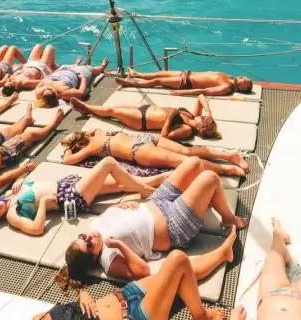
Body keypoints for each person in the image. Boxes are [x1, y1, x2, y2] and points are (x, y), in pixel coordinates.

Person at [58, 157, 246, 285]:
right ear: (93, 257)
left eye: (83, 237)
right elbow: (143, 272)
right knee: (209, 178)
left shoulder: (94, 227)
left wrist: (120, 206)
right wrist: (119, 245)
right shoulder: (109, 260)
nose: (89, 237)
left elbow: (111, 217)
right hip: (174, 227)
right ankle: (228, 217)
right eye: (89, 245)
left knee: (194, 163)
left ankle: (201, 199)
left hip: (156, 201)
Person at [0, 155, 168, 235]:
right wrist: (44, 204)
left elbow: (29, 183)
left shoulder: (8, 196)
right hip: (72, 196)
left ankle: (166, 178)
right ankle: (146, 191)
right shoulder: (12, 215)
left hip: (69, 185)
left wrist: (19, 181)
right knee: (108, 163)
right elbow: (36, 229)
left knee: (121, 184)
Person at [35, 250, 225, 320]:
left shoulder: (39, 318)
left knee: (180, 272)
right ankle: (201, 316)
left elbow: (73, 310)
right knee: (178, 260)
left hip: (126, 294)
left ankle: (223, 254)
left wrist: (83, 294)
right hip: (136, 315)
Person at [60, 128, 248, 176]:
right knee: (187, 151)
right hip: (144, 138)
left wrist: (68, 147)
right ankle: (229, 155)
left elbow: (68, 161)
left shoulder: (92, 147)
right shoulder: (99, 133)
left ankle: (226, 170)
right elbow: (91, 130)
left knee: (182, 160)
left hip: (139, 151)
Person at [68, 94, 219, 141]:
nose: (204, 116)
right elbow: (200, 97)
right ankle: (87, 111)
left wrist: (171, 116)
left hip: (142, 120)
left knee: (111, 111)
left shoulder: (187, 129)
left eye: (205, 119)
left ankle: (85, 107)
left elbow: (164, 136)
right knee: (114, 109)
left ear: (201, 127)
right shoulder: (193, 115)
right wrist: (210, 113)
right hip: (146, 109)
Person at [7, 57, 109, 108]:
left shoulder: (39, 91)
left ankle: (75, 63)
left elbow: (40, 83)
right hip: (76, 74)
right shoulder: (64, 93)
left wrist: (44, 82)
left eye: (45, 91)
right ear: (56, 95)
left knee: (70, 66)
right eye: (49, 91)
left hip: (62, 71)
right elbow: (81, 92)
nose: (46, 89)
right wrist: (82, 78)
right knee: (91, 69)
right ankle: (102, 66)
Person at [119, 69, 253, 97]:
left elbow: (204, 91)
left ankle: (130, 84)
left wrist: (183, 92)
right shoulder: (227, 75)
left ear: (241, 89)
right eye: (243, 77)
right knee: (161, 72)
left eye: (243, 81)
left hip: (186, 82)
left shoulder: (226, 87)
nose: (241, 78)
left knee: (158, 81)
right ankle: (137, 74)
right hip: (187, 73)